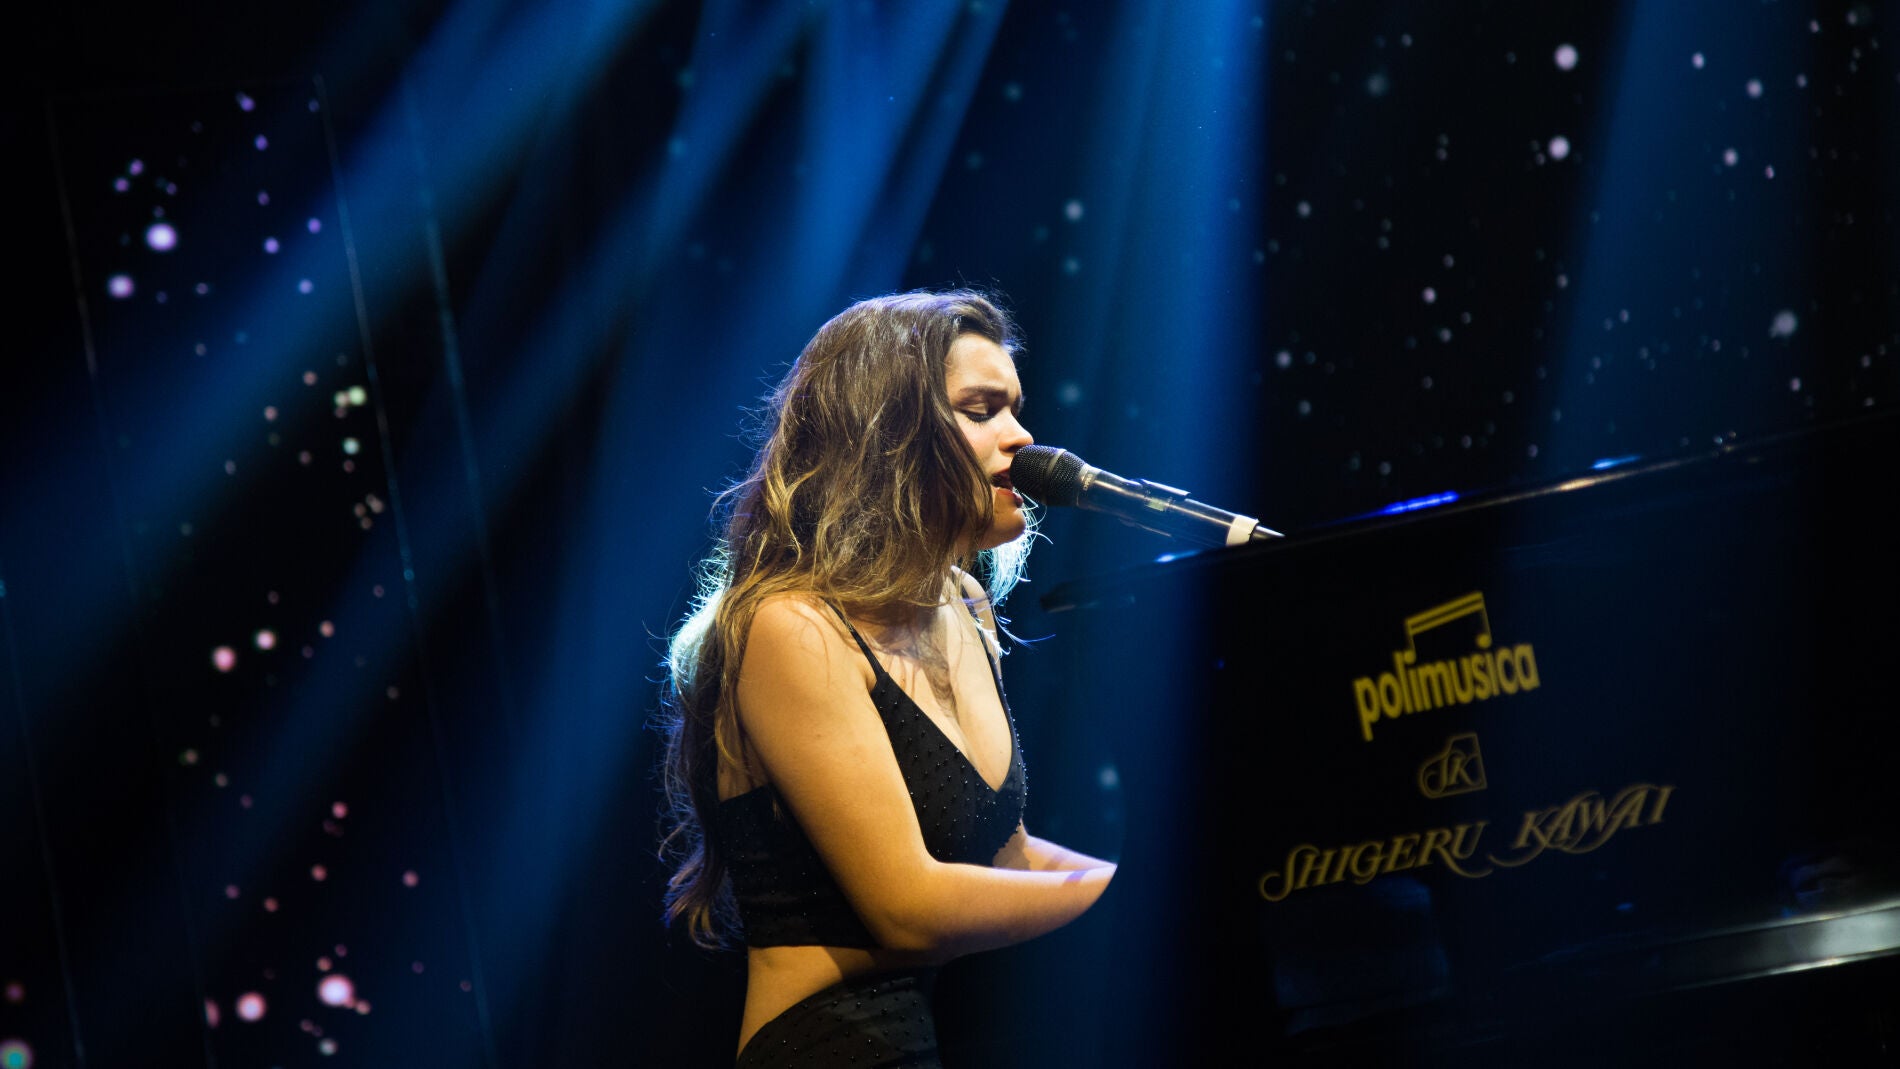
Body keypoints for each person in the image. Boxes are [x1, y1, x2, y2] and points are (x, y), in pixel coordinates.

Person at [658, 289, 1117, 1067]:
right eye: (982, 411)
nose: (1021, 436)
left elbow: (1006, 857)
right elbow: (908, 907)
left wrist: (1148, 882)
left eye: (1015, 408)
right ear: (888, 435)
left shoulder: (962, 603)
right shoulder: (791, 626)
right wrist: (1122, 897)